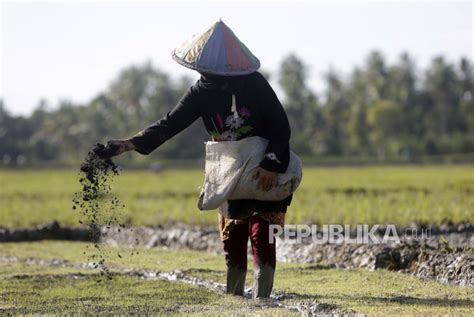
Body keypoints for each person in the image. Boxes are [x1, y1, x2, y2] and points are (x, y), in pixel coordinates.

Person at [105, 20, 292, 299]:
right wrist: (130, 144)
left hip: (263, 167)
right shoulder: (201, 91)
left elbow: (280, 125)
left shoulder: (255, 85)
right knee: (234, 234)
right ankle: (235, 296)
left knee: (262, 234)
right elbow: (171, 123)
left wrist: (271, 163)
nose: (207, 74)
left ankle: (262, 299)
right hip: (228, 168)